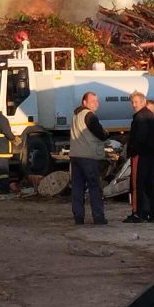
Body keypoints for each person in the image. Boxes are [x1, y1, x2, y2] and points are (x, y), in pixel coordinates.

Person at [69, 91, 109, 225]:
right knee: (94, 187)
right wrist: (105, 134)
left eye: (97, 101)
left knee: (77, 187)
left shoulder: (76, 115)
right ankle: (98, 217)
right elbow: (99, 133)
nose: (96, 104)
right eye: (92, 101)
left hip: (75, 155)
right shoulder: (89, 115)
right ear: (84, 102)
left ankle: (78, 217)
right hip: (88, 156)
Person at [125, 92, 154, 223]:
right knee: (151, 184)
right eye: (132, 102)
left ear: (143, 102)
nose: (134, 105)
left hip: (140, 155)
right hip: (152, 156)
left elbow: (139, 138)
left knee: (137, 184)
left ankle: (138, 213)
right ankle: (153, 213)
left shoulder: (139, 118)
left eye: (136, 102)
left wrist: (132, 151)